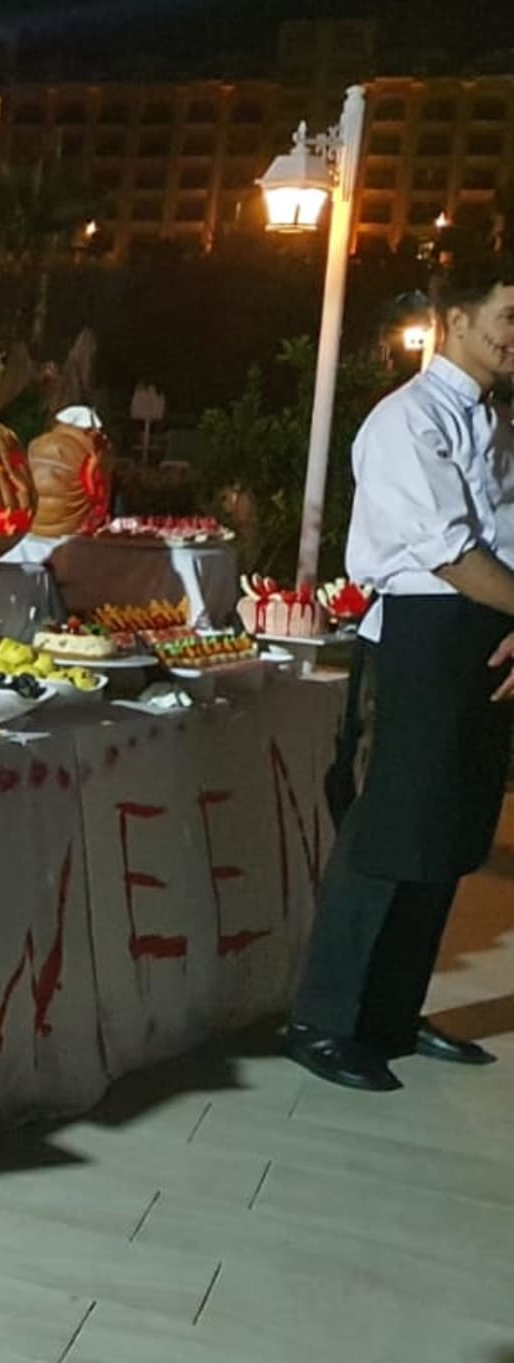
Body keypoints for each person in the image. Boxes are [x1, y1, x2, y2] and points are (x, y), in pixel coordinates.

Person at [288, 250, 514, 1092]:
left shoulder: (496, 423)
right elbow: (446, 550)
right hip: (422, 631)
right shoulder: (405, 420)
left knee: (453, 823)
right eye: (509, 317)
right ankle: (322, 1020)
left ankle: (390, 1013)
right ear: (455, 320)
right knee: (392, 822)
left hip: (491, 629)